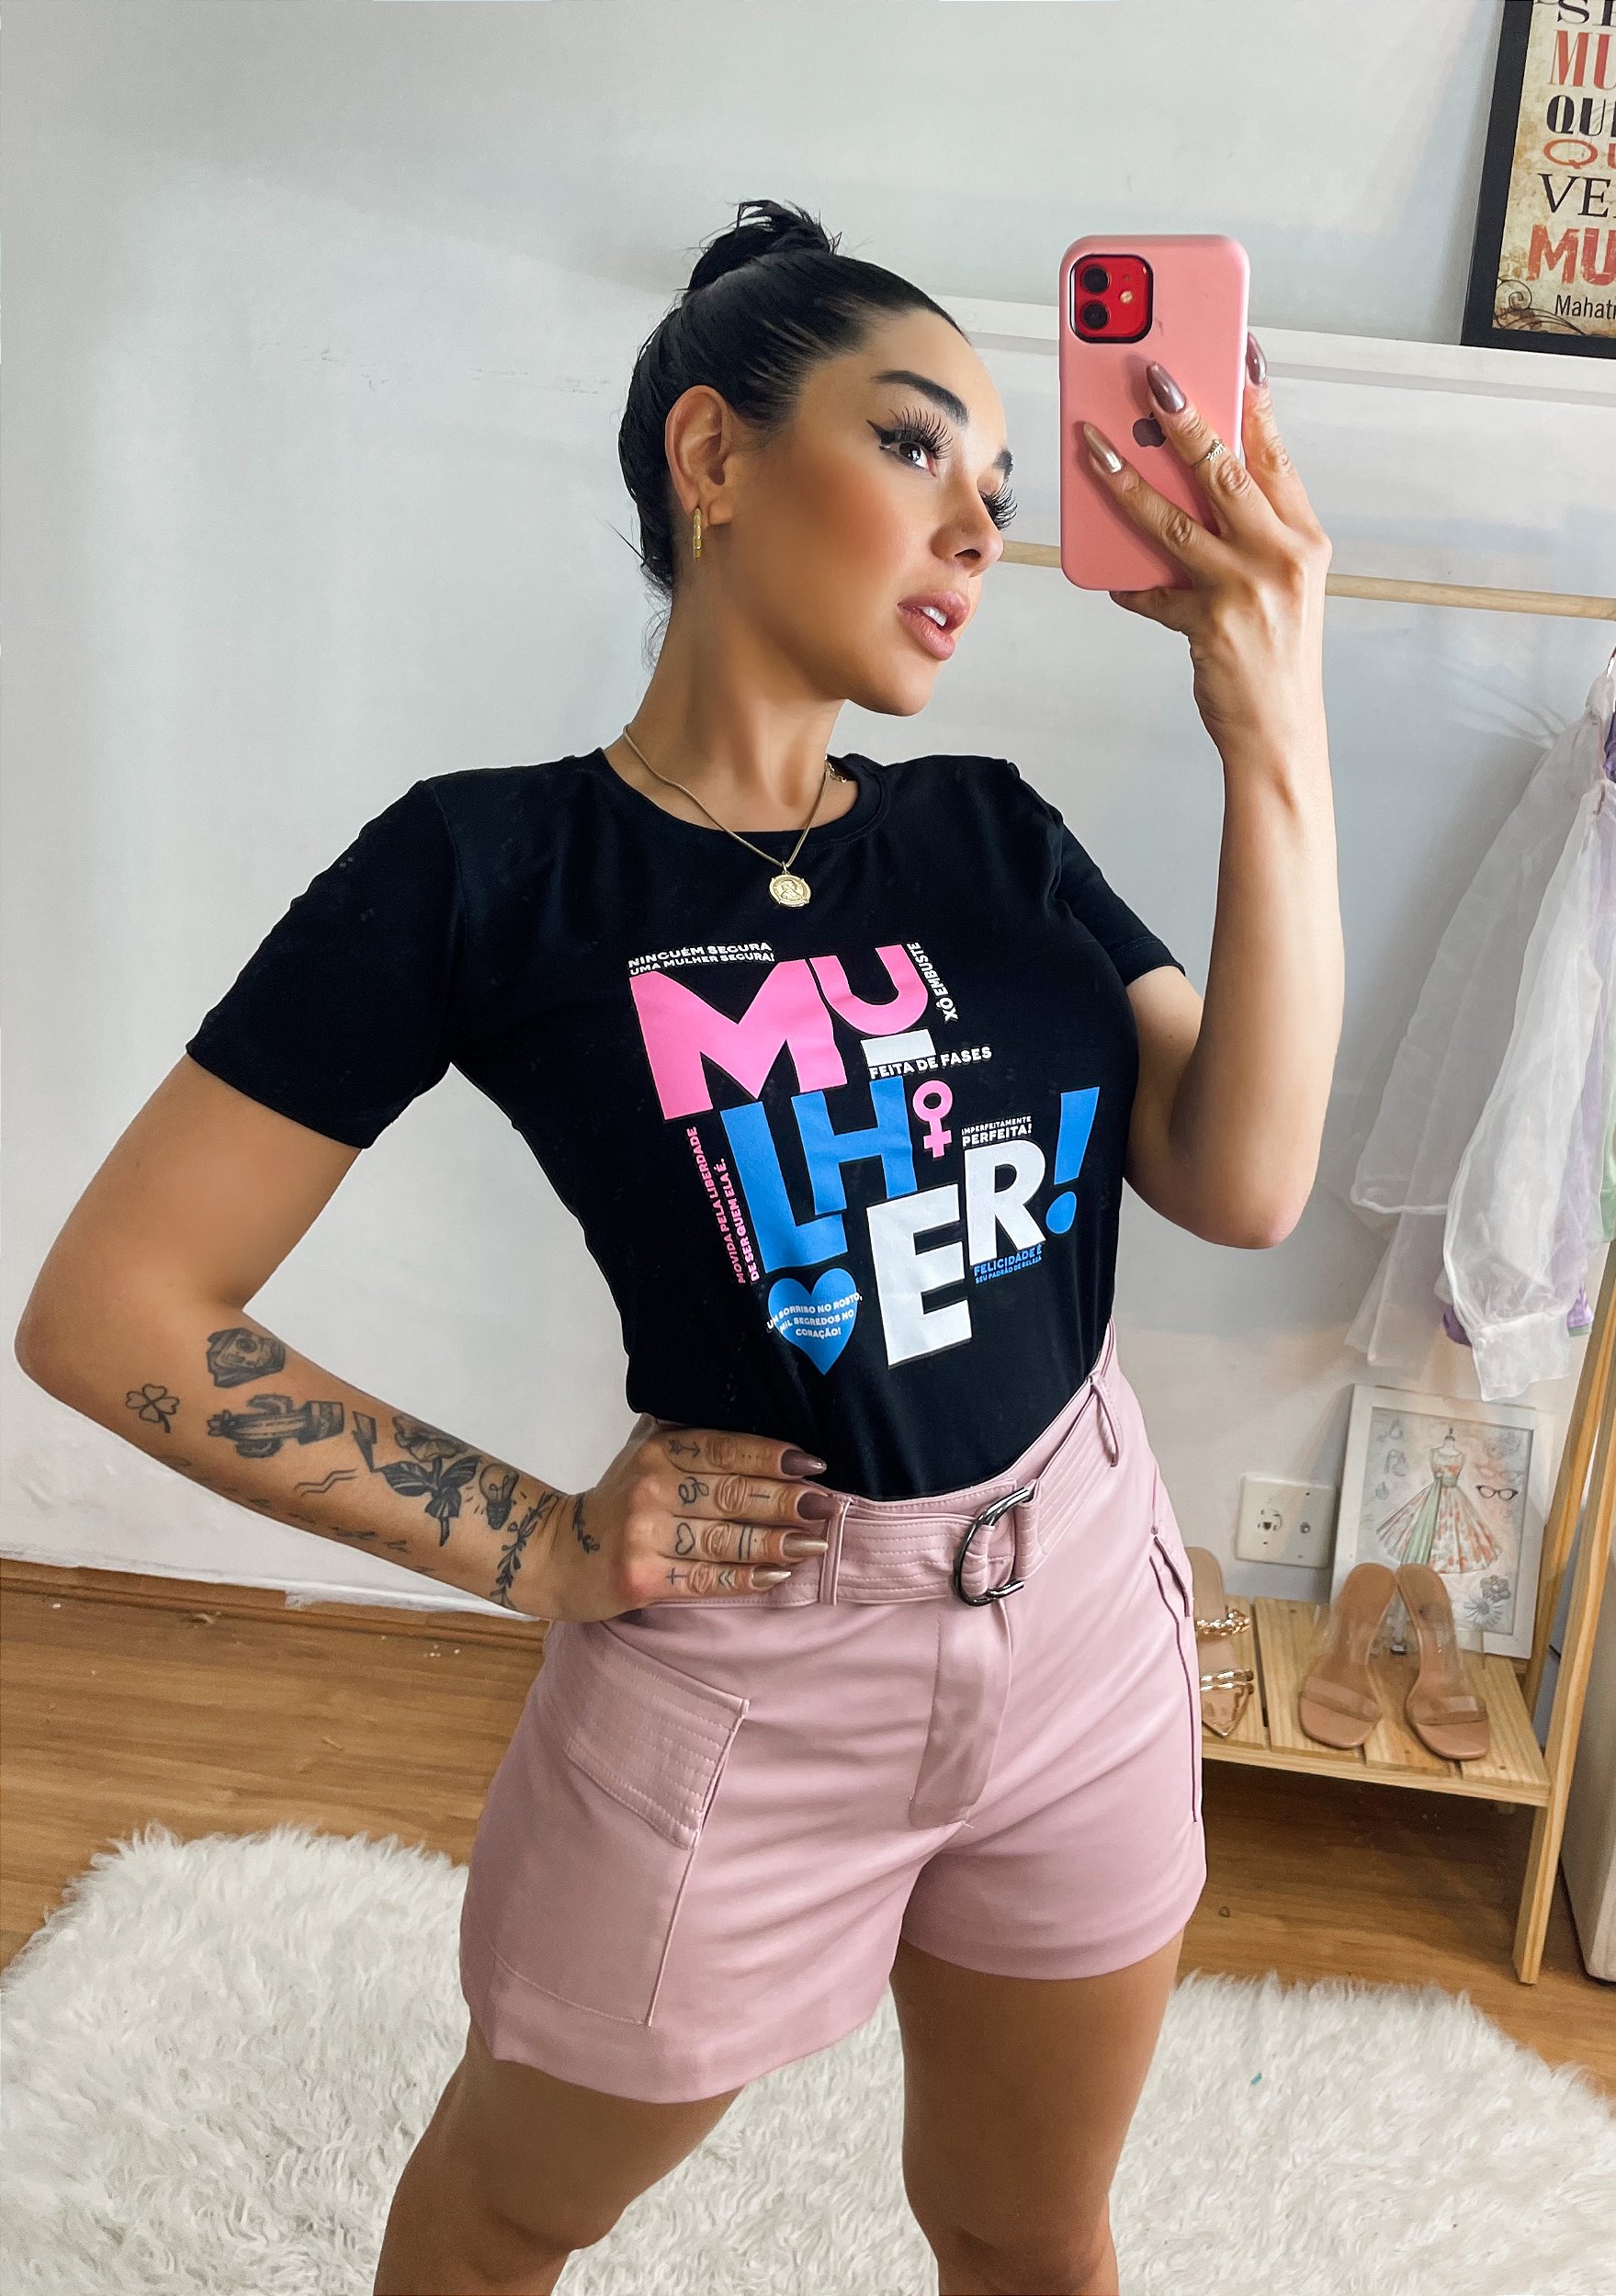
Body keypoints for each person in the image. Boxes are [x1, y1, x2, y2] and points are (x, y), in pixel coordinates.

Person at [15, 198, 1341, 2296]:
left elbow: (1243, 1176)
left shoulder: (992, 835)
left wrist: (1272, 724)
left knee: (1027, 2229)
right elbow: (111, 1314)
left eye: (1003, 490)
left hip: (1084, 1610)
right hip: (755, 1669)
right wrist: (534, 1540)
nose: (977, 527)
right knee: (505, 2214)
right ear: (712, 457)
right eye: (911, 444)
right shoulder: (484, 871)